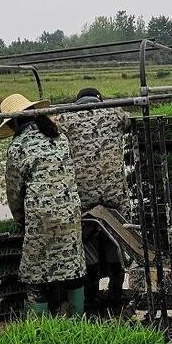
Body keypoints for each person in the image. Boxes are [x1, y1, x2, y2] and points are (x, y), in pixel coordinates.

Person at [0, 93, 86, 316]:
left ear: (14, 122)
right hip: (70, 212)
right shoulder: (58, 137)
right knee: (72, 267)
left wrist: (21, 221)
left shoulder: (18, 146)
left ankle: (40, 329)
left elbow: (14, 193)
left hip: (41, 217)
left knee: (36, 273)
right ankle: (78, 320)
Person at [57, 87, 132, 310]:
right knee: (116, 242)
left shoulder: (66, 117)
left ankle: (90, 301)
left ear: (76, 101)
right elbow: (130, 123)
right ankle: (116, 299)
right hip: (114, 196)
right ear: (100, 99)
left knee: (87, 248)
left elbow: (51, 128)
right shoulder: (115, 112)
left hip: (84, 199)